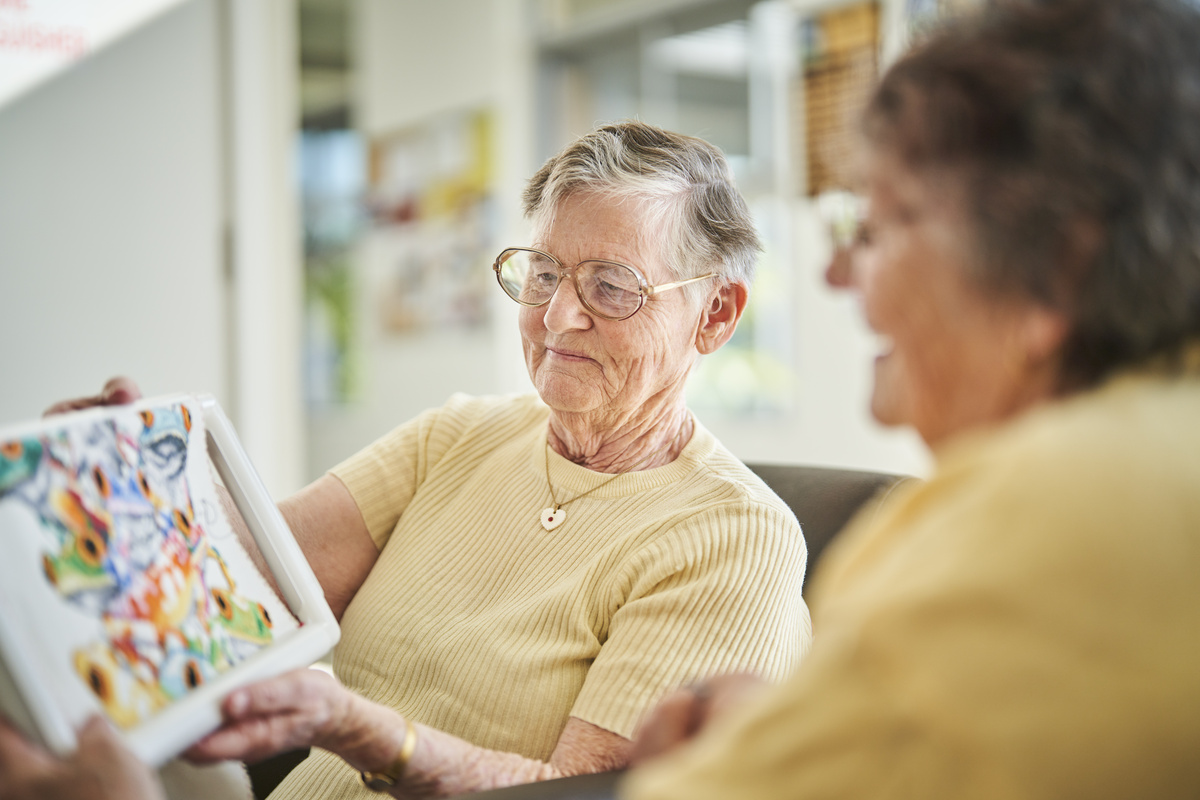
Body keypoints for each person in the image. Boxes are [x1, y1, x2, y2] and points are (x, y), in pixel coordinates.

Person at [12, 121, 811, 798]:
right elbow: (235, 582)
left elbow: (586, 792)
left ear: (715, 314)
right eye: (543, 275)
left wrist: (363, 730)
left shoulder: (733, 541)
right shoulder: (458, 436)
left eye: (611, 287)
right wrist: (116, 488)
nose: (559, 316)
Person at [624, 0, 1200, 796]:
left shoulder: (1042, 519)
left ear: (1053, 269)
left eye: (876, 226)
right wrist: (813, 722)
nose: (835, 275)